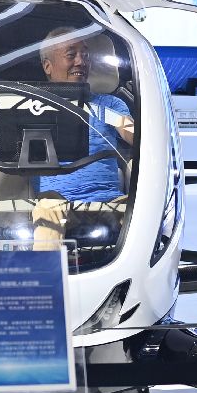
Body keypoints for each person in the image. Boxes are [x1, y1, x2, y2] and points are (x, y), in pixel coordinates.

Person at [28, 28, 133, 247]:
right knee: (47, 206)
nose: (81, 61)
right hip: (60, 205)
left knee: (138, 211)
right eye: (71, 55)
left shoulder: (110, 104)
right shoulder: (32, 107)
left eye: (85, 55)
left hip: (110, 202)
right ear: (48, 66)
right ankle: (47, 269)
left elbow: (133, 133)